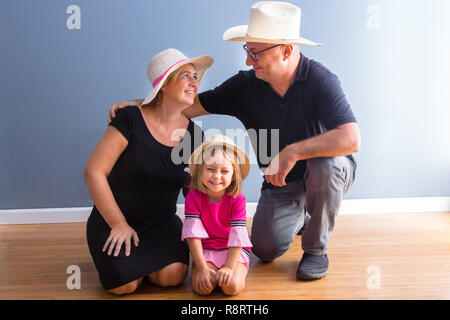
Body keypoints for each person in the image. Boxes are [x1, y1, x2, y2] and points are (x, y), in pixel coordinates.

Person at [109, 1, 361, 281]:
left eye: (255, 53)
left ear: (286, 51)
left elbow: (351, 139)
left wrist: (293, 152)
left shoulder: (320, 81)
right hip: (281, 182)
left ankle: (316, 249)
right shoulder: (245, 86)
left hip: (326, 173)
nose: (248, 61)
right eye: (247, 51)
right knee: (264, 249)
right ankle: (302, 214)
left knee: (325, 167)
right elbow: (190, 106)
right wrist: (137, 106)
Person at [83, 48, 213, 295]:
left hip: (161, 224)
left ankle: (146, 264)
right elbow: (93, 172)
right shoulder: (130, 119)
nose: (194, 83)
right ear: (164, 85)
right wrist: (118, 224)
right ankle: (131, 263)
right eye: (186, 76)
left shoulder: (195, 135)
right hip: (114, 221)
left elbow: (193, 191)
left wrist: (215, 227)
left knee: (173, 276)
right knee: (124, 285)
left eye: (195, 77)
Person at [182, 134, 252, 296]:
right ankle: (207, 269)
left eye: (225, 171)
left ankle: (234, 270)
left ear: (233, 174)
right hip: (206, 250)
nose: (216, 176)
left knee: (231, 287)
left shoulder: (237, 199)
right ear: (201, 170)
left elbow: (237, 236)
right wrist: (202, 268)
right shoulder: (193, 197)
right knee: (202, 288)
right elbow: (193, 236)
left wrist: (228, 267)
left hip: (233, 250)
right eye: (210, 169)